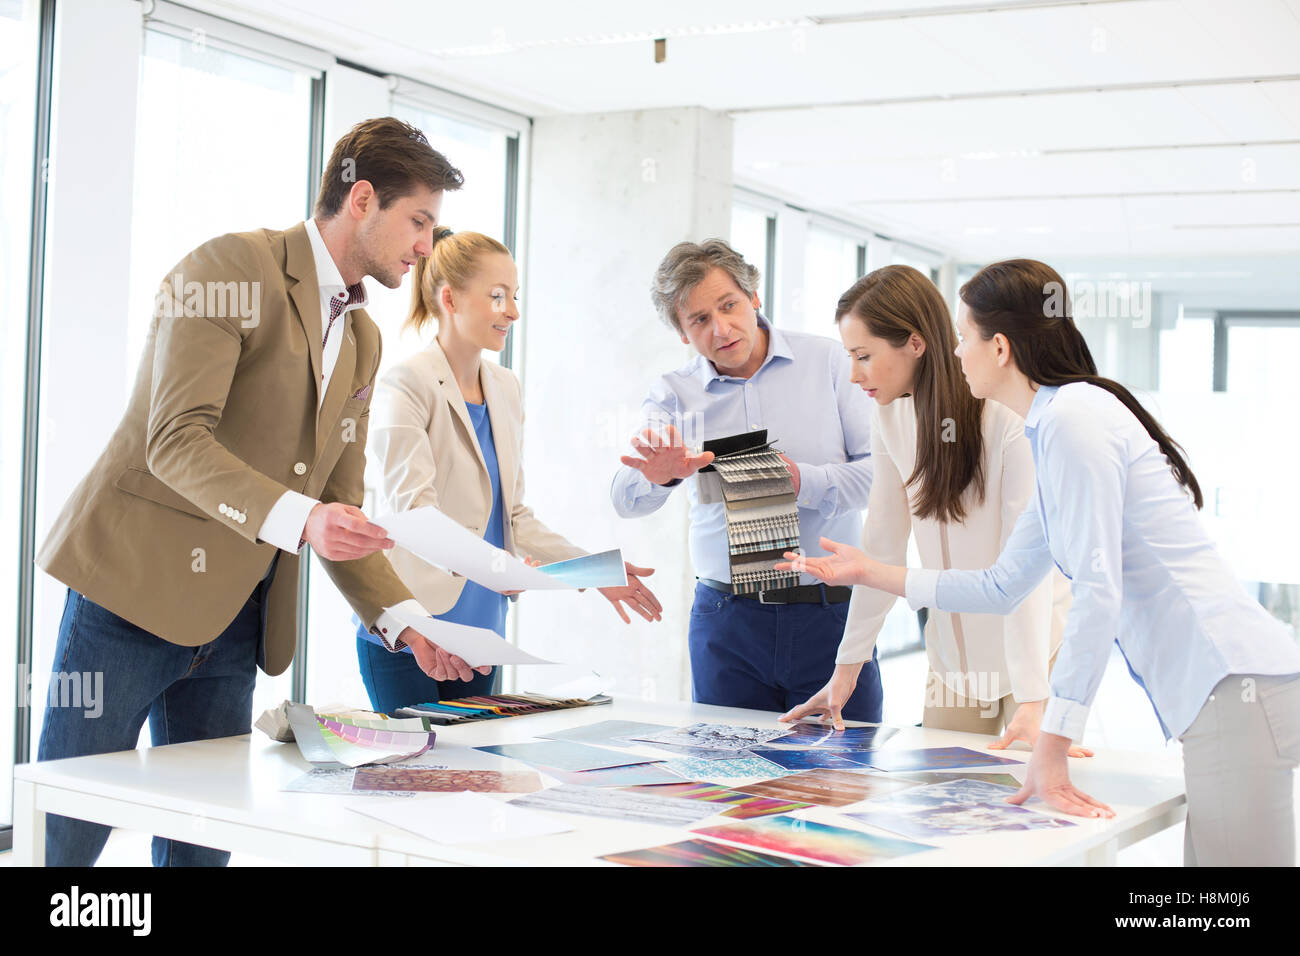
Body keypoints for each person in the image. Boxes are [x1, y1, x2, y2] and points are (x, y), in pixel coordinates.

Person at [35, 117, 462, 866]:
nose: (426, 247)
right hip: (128, 598)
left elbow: (340, 510)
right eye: (419, 221)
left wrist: (404, 621)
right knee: (68, 837)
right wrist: (306, 520)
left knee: (205, 845)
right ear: (363, 199)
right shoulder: (230, 269)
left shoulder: (364, 339)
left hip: (236, 621)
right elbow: (175, 439)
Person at [780, 258, 1300, 866]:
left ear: (998, 348)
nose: (958, 352)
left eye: (964, 338)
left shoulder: (1074, 419)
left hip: (1230, 681)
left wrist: (1052, 737)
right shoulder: (1052, 425)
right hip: (1217, 690)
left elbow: (1097, 592)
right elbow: (1002, 584)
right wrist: (868, 572)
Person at [780, 266, 1087, 757]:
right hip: (953, 663)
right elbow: (880, 545)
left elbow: (1024, 571)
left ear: (915, 344)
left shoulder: (1004, 416)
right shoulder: (891, 417)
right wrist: (846, 669)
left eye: (864, 356)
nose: (854, 374)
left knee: (1033, 814)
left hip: (1036, 658)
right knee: (946, 810)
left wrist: (1033, 695)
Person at [358, 229, 663, 712]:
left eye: (514, 297)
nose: (513, 312)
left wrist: (596, 570)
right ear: (450, 298)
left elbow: (514, 517)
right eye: (498, 297)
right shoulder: (406, 383)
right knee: (415, 778)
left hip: (482, 633)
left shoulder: (505, 387)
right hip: (414, 630)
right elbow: (416, 515)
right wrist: (502, 568)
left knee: (472, 780)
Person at [611, 239, 880, 720]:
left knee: (843, 778)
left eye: (729, 305)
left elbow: (882, 475)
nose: (722, 328)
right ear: (681, 332)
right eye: (698, 320)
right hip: (727, 621)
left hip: (831, 613)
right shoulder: (673, 395)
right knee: (727, 781)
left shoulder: (832, 362)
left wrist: (803, 481)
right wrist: (662, 477)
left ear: (755, 296)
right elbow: (625, 499)